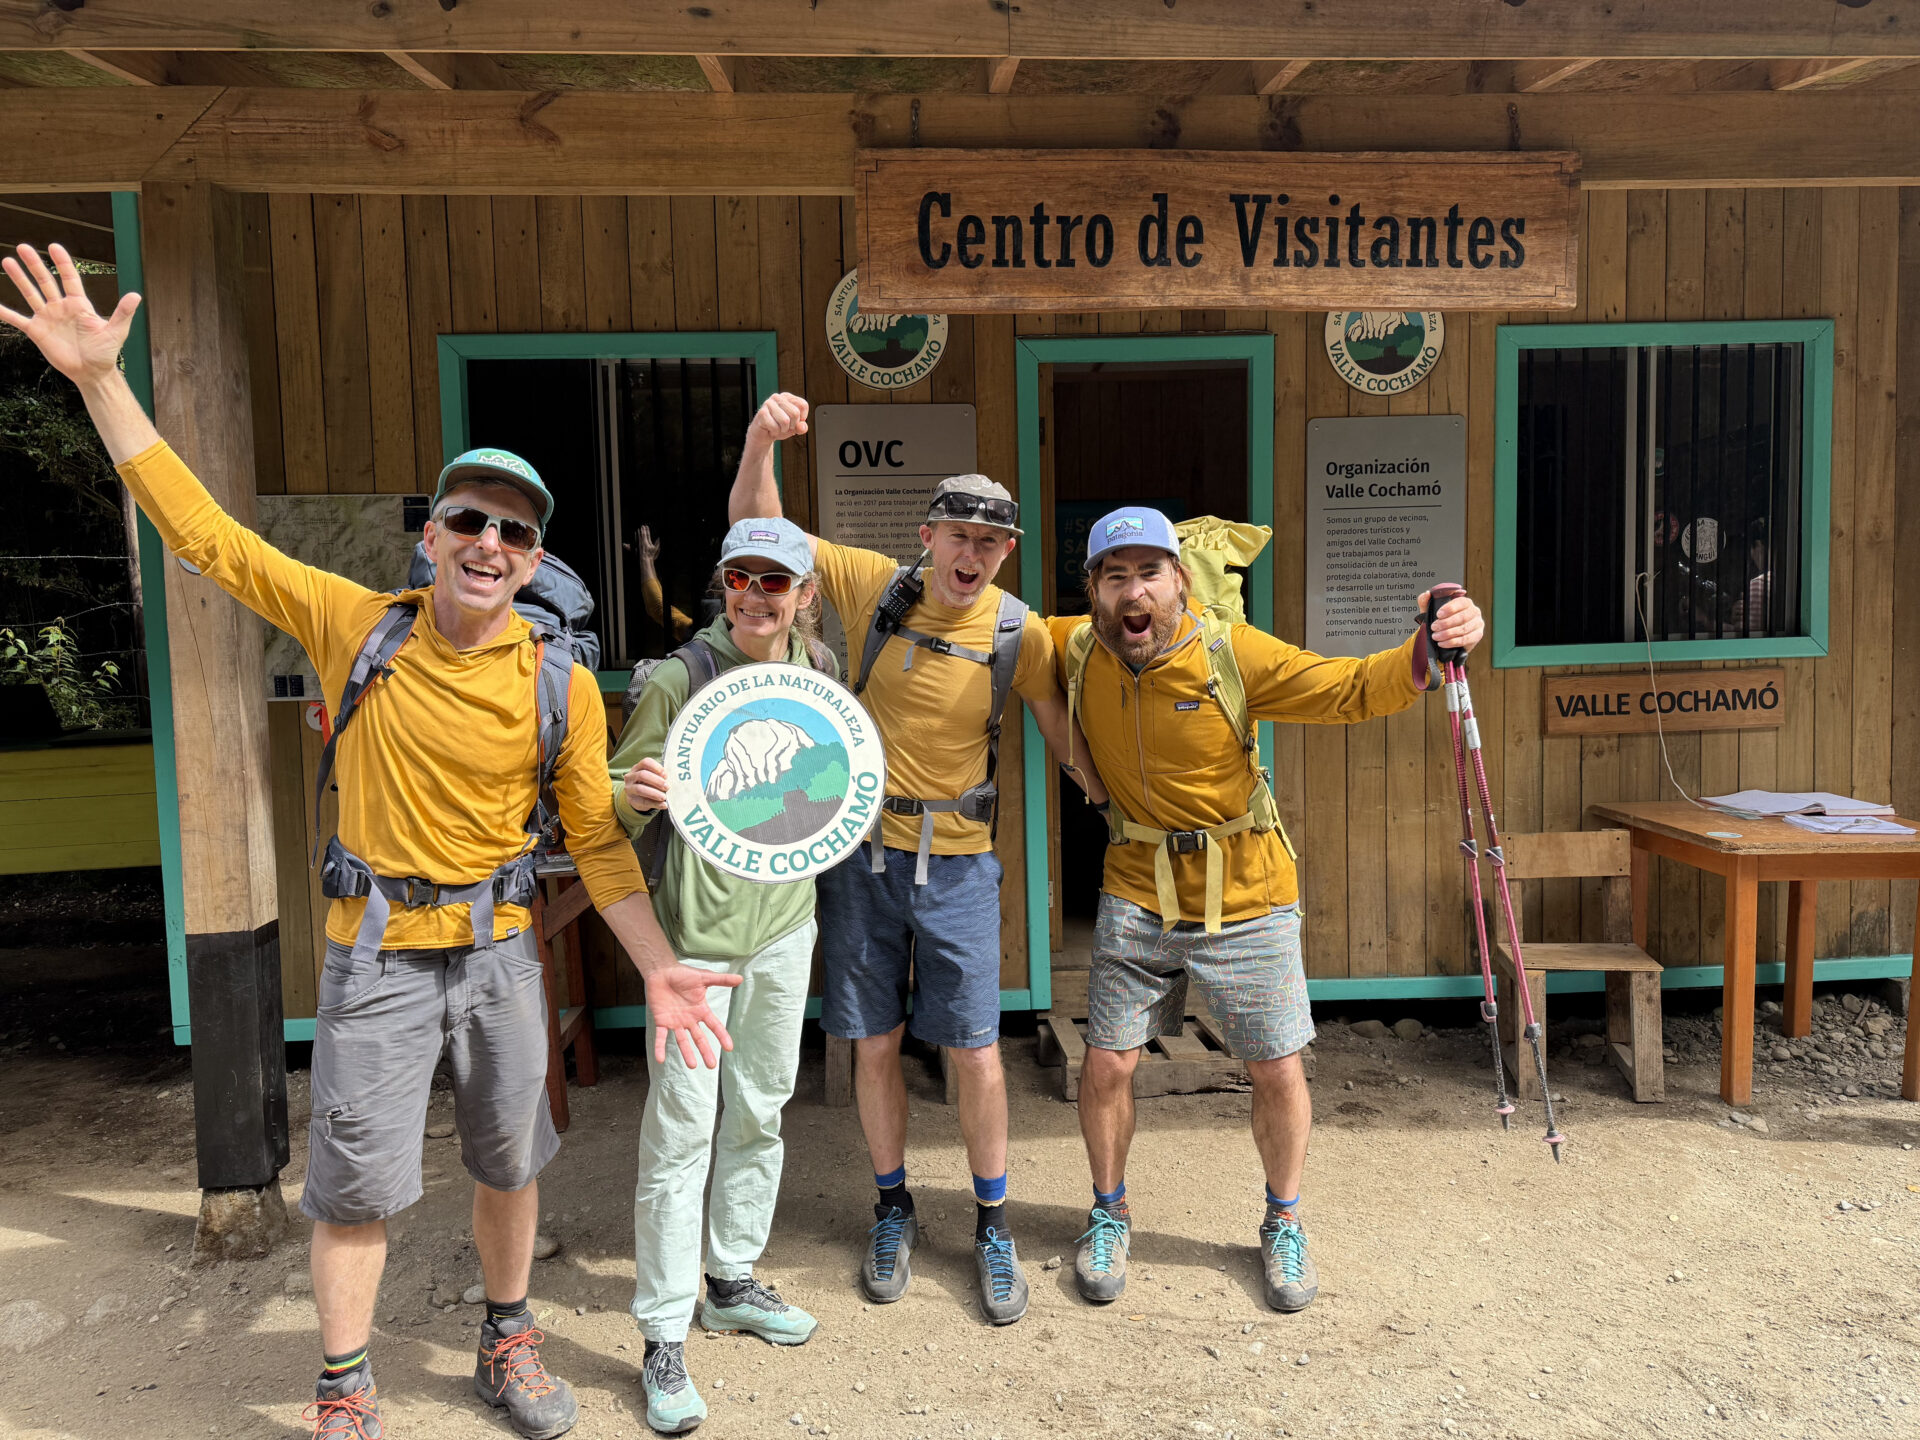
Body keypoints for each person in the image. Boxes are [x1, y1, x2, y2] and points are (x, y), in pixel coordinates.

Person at [1, 242, 740, 1440]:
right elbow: (208, 540)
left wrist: (657, 966)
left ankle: (508, 1339)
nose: (488, 542)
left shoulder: (562, 682)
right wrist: (98, 381)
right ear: (434, 532)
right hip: (377, 957)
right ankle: (343, 1387)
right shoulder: (359, 626)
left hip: (503, 954)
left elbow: (600, 844)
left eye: (513, 529)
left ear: (536, 557)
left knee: (510, 1165)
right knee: (356, 1187)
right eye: (468, 519)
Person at [727, 393, 1104, 1327]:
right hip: (861, 852)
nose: (972, 556)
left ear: (1006, 553)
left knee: (975, 1049)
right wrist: (760, 440)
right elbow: (757, 529)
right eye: (959, 536)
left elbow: (1064, 737)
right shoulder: (873, 586)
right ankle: (892, 1204)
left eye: (992, 543)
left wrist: (1115, 797)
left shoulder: (1022, 632)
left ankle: (990, 1221)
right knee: (876, 1040)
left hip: (963, 863)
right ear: (928, 535)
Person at [1051, 506, 1483, 1314]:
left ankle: (1283, 1221)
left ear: (1180, 582)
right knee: (1107, 1061)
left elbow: (1349, 688)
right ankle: (1108, 1212)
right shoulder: (1071, 648)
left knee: (1275, 1065)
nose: (1132, 592)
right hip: (1137, 887)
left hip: (1248, 892)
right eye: (1115, 577)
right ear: (1094, 593)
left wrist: (1428, 644)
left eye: (1150, 573)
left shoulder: (1229, 653)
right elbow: (974, 634)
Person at [607, 517, 834, 1433]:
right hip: (695, 943)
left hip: (785, 927)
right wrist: (629, 794)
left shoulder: (815, 677)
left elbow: (829, 788)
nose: (756, 595)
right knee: (679, 1136)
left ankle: (730, 1276)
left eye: (776, 582)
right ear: (722, 584)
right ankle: (663, 1331)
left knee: (762, 1108)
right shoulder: (677, 679)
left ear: (804, 596)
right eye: (741, 578)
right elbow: (609, 813)